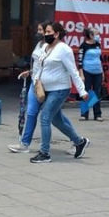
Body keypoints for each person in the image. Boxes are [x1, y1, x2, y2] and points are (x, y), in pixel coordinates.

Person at [28, 22, 90, 164]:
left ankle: (45, 152)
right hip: (46, 89)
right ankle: (79, 142)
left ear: (57, 34)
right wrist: (35, 79)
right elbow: (40, 66)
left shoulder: (64, 49)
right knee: (57, 120)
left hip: (60, 89)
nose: (46, 34)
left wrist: (82, 91)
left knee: (45, 118)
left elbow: (73, 71)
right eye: (45, 32)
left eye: (49, 32)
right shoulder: (45, 47)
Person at [9, 22, 75, 153]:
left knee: (56, 118)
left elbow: (68, 69)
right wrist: (31, 72)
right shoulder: (39, 45)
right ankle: (25, 143)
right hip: (36, 83)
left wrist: (81, 89)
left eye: (42, 30)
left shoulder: (56, 48)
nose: (39, 32)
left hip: (51, 86)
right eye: (39, 30)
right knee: (31, 112)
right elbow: (38, 65)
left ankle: (76, 140)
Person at [78, 27, 104, 122]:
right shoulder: (83, 46)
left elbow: (100, 59)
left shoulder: (98, 45)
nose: (98, 36)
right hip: (87, 71)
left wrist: (103, 72)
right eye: (96, 34)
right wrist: (81, 74)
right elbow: (80, 61)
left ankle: (97, 114)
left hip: (98, 72)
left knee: (97, 93)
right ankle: (84, 114)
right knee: (86, 93)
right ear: (90, 35)